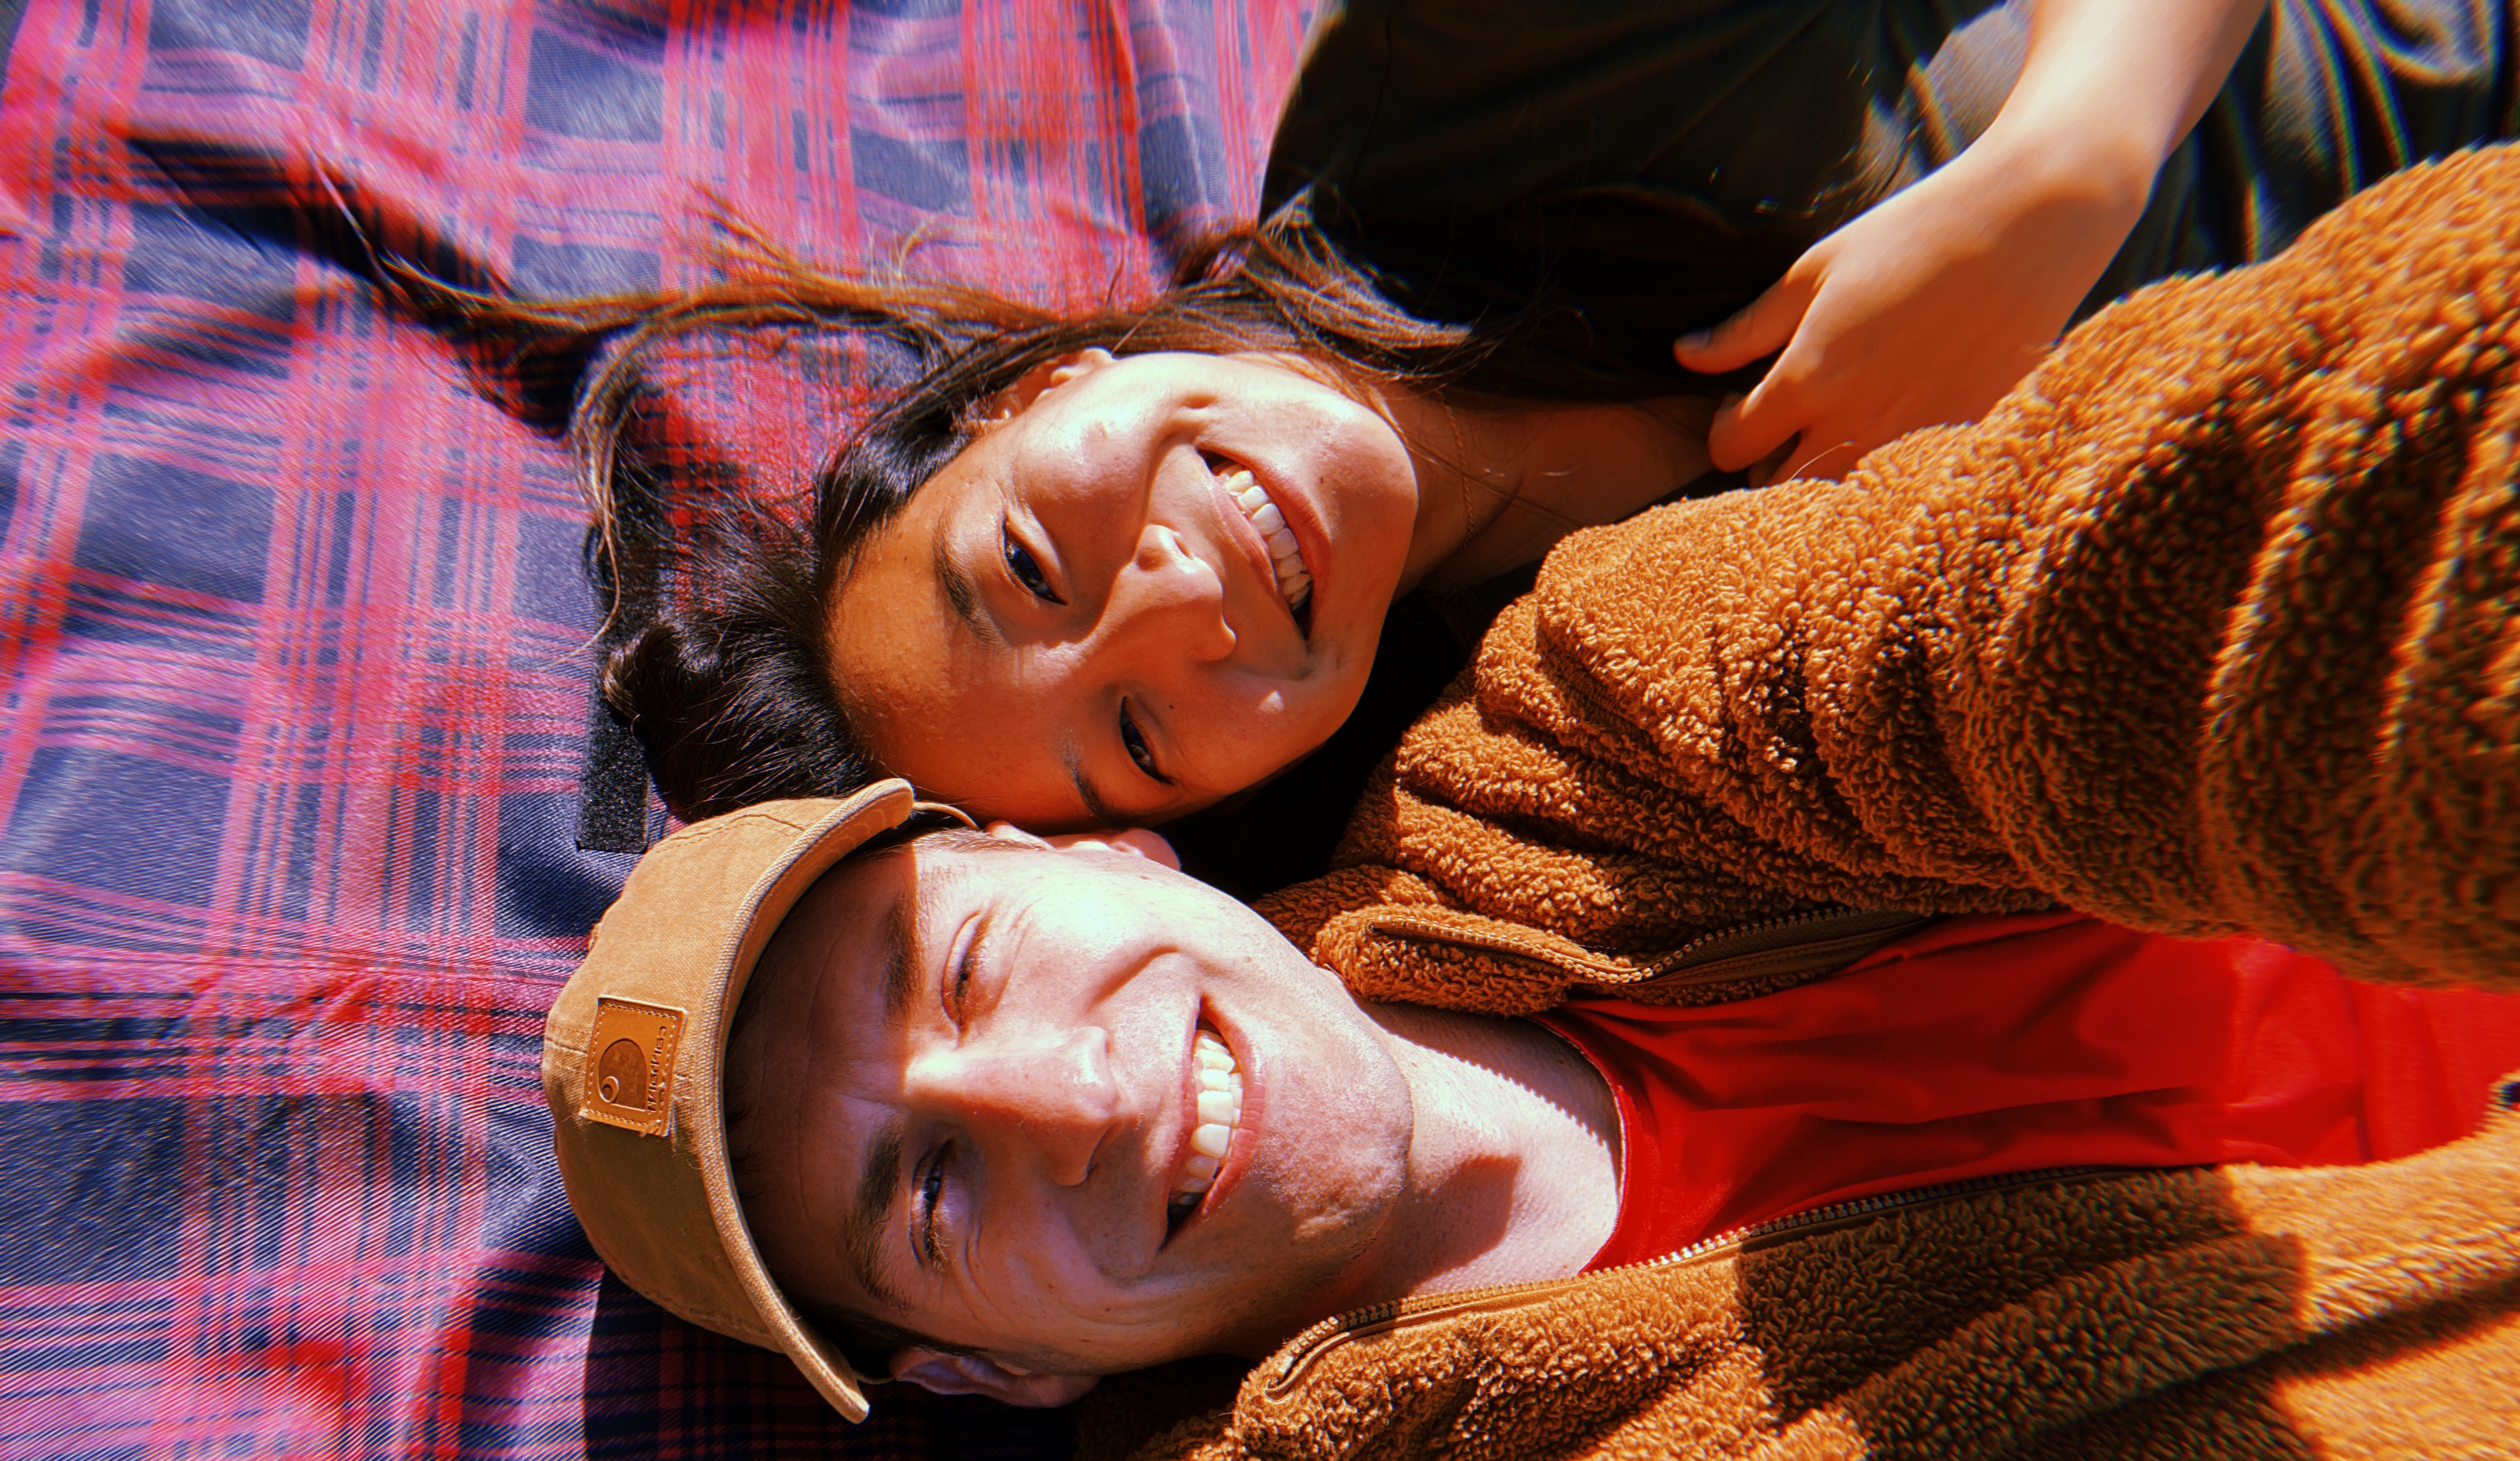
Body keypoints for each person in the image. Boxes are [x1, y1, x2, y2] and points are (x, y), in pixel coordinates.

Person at [543, 151, 2520, 1461]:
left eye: (965, 969)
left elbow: (2142, 553)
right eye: (935, 1198)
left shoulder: (1580, 724)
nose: (1065, 1097)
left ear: (1118, 856)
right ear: (998, 1378)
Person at [491, 0, 2512, 887]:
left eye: (1033, 563)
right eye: (1133, 736)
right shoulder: (1567, 734)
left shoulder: (1483, 83)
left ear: (1026, 401)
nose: (1177, 604)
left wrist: (2077, 153)